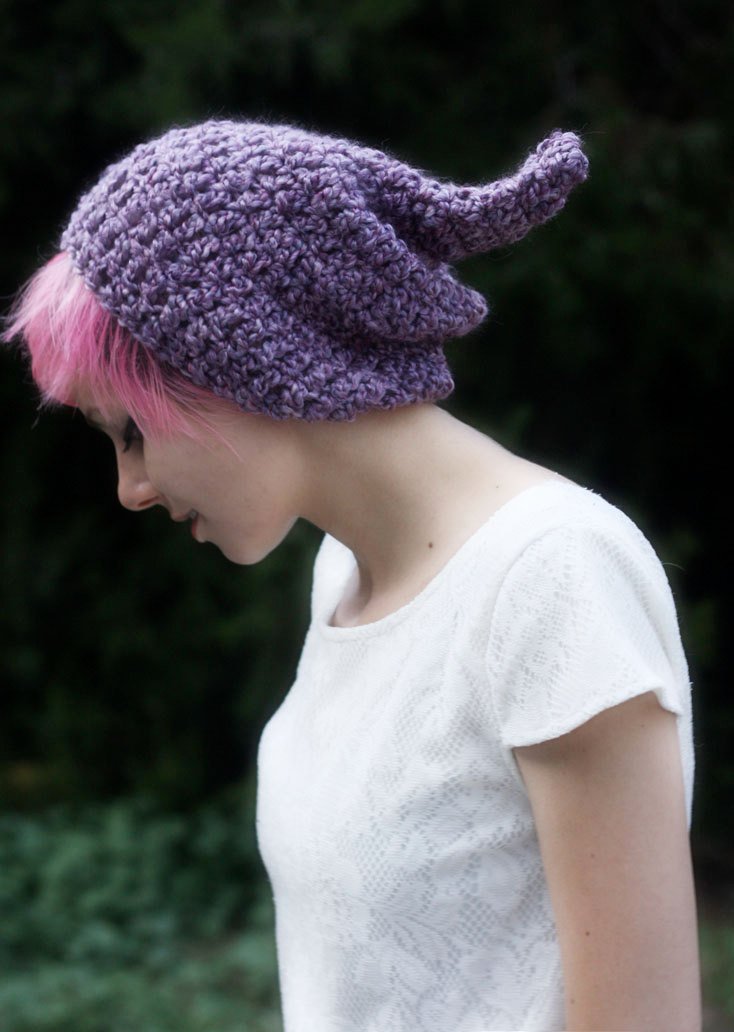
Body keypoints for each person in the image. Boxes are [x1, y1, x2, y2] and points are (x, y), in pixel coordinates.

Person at [2, 117, 701, 1032]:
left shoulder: (552, 577)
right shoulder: (344, 573)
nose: (130, 488)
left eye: (131, 432)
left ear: (243, 355)